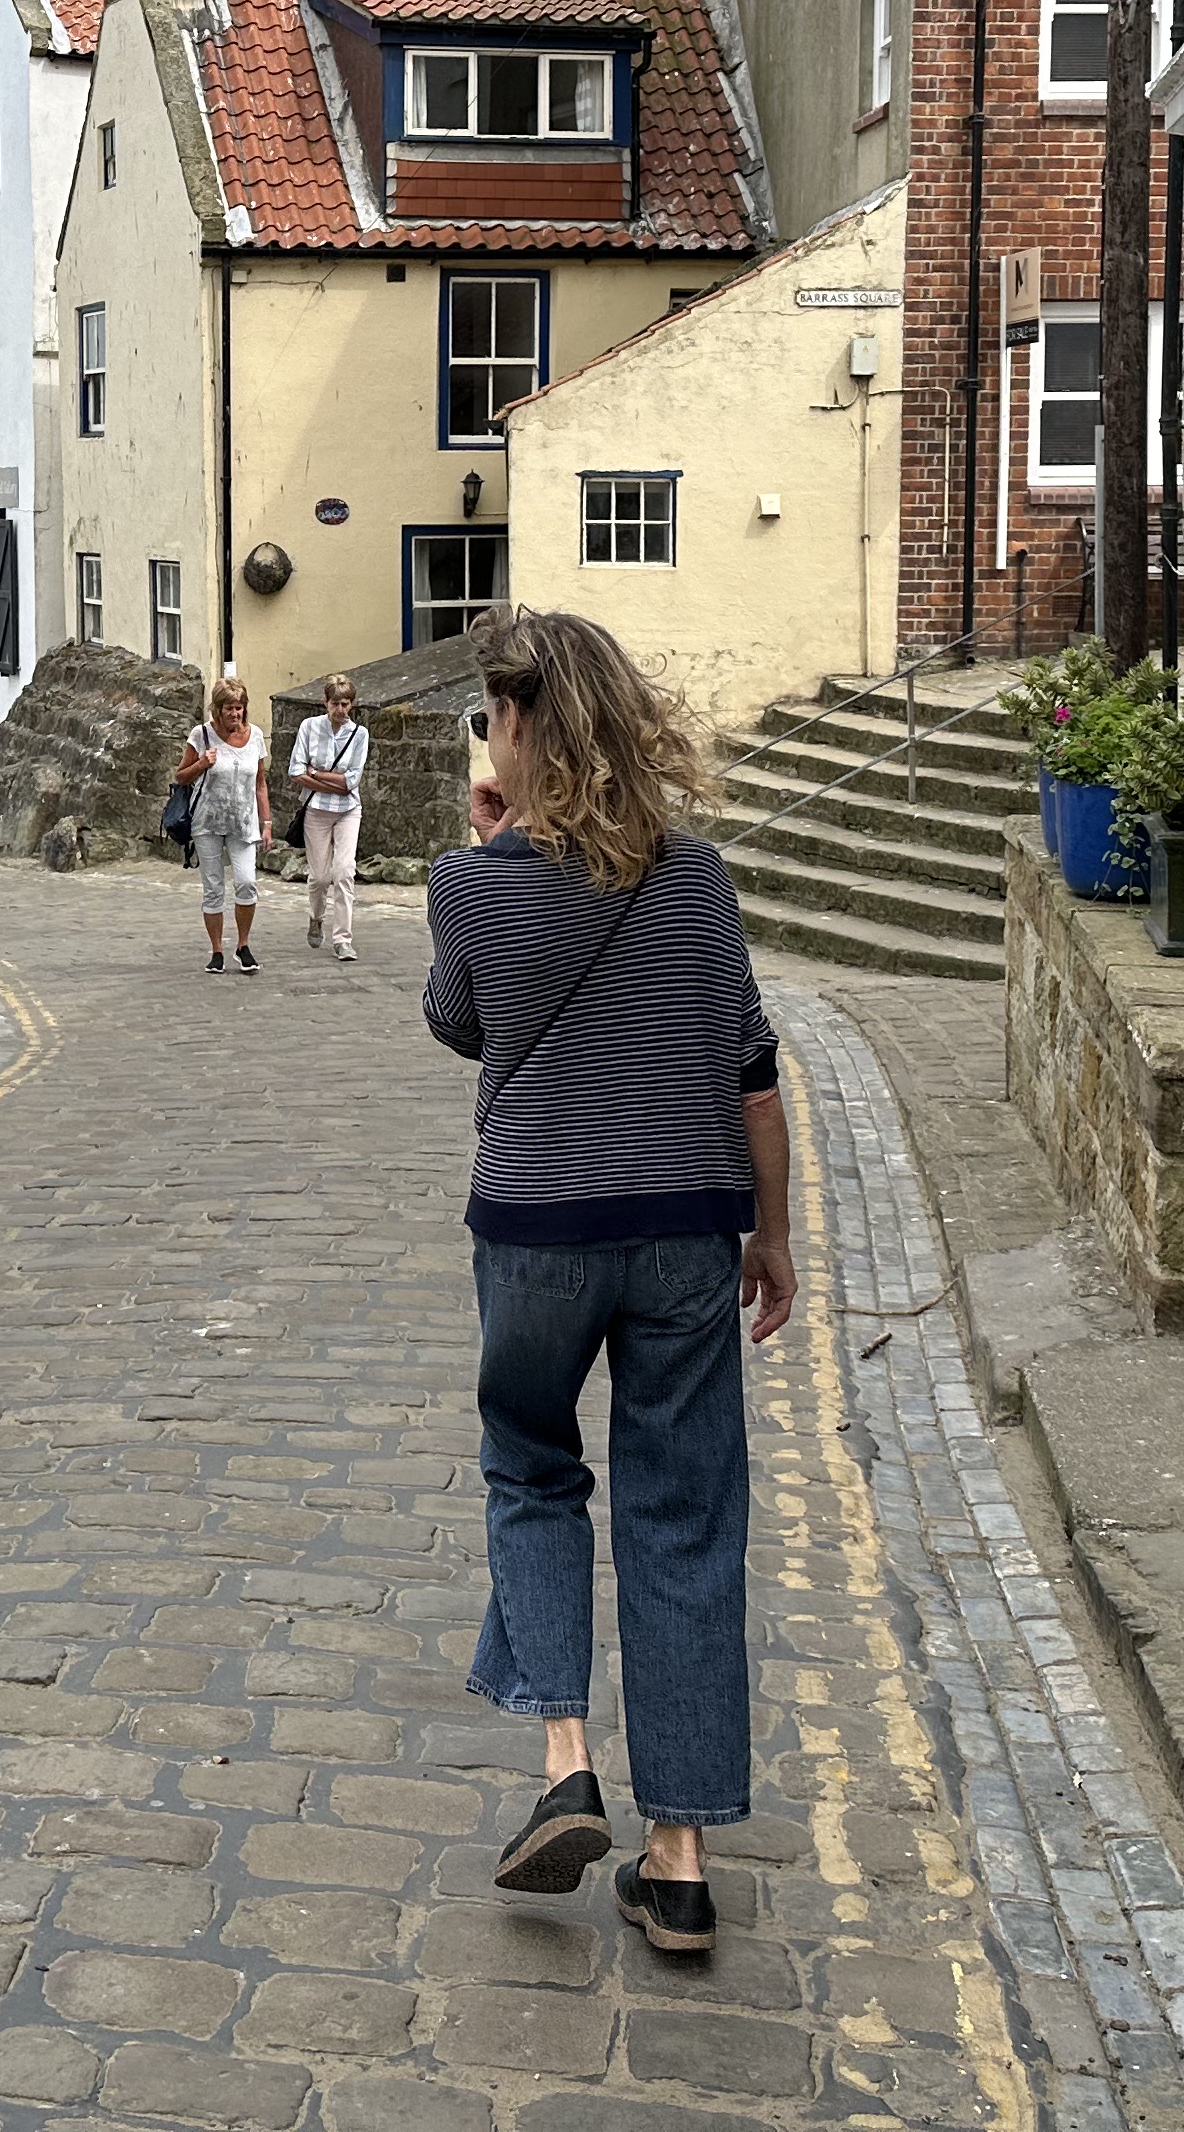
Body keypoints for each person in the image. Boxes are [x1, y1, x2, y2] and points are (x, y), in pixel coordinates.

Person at [423, 606, 794, 1959]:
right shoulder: (698, 882)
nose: (488, 736)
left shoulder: (470, 885)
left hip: (534, 1229)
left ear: (520, 727)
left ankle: (565, 1764)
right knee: (684, 1518)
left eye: (492, 719)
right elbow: (752, 1070)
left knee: (532, 1470)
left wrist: (490, 852)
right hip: (686, 1229)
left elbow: (463, 1022)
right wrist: (774, 1236)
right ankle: (680, 1862)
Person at [176, 673, 270, 974]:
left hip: (243, 822)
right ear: (217, 709)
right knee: (214, 888)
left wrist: (266, 822)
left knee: (246, 882)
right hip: (208, 822)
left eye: (239, 707)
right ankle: (217, 950)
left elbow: (260, 783)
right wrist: (202, 763)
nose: (235, 713)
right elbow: (180, 776)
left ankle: (243, 945)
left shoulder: (255, 736)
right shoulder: (201, 735)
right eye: (229, 708)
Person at [291, 673, 372, 961]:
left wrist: (316, 773)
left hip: (348, 810)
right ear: (325, 702)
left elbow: (351, 781)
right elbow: (296, 771)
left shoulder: (359, 734)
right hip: (316, 810)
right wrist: (330, 781)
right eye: (335, 703)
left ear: (352, 705)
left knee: (345, 871)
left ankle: (343, 939)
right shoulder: (309, 727)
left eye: (345, 704)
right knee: (320, 878)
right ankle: (316, 917)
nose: (340, 709)